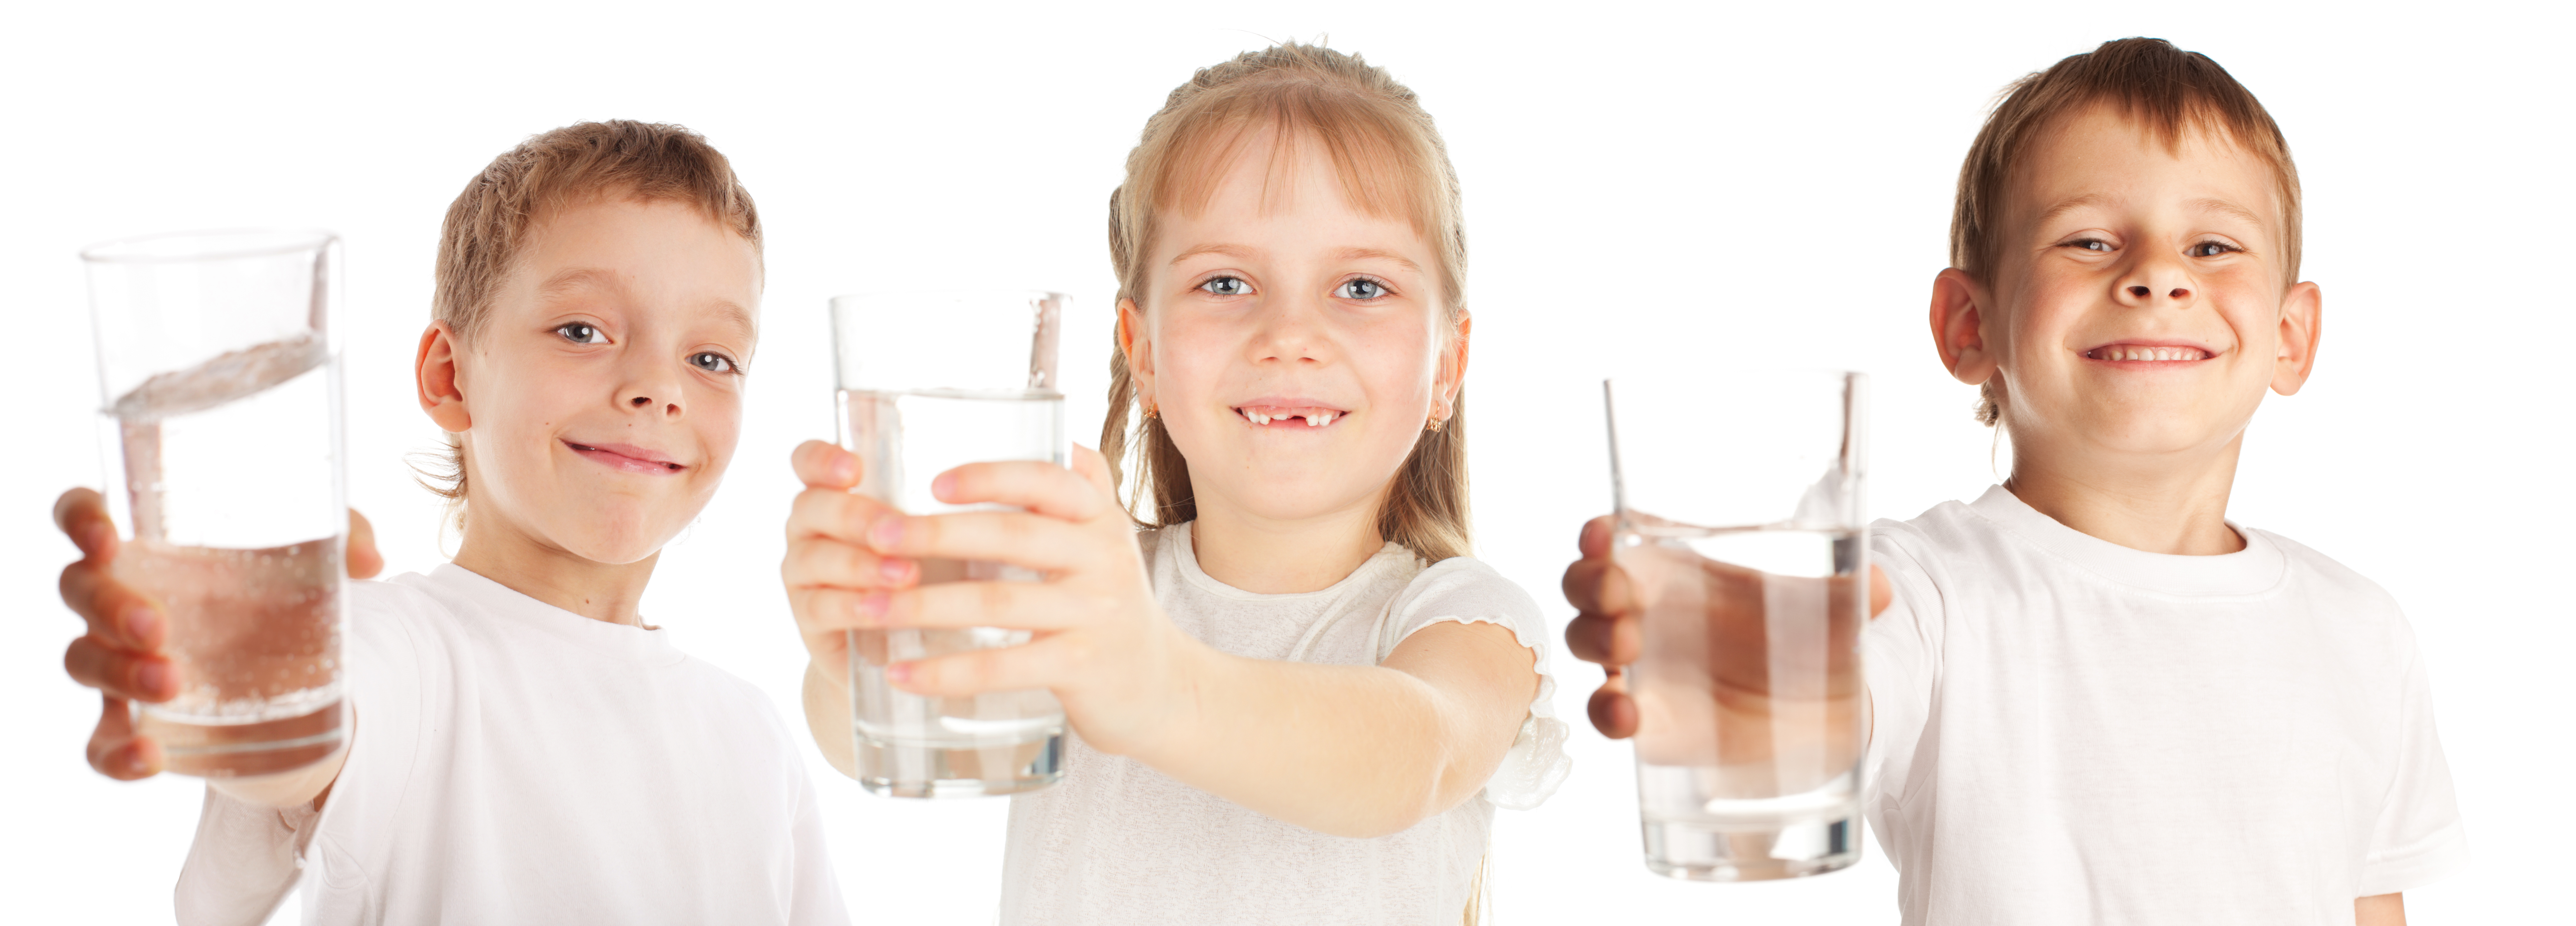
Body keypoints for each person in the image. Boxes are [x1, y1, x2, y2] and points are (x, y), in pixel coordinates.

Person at [1562, 37, 2464, 925]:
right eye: (2090, 240)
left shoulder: (2362, 631)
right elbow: (1820, 715)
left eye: (2215, 246)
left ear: (2292, 336)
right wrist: (1730, 651)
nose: (2156, 274)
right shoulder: (1921, 591)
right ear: (1968, 324)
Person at [781, 42, 1567, 926]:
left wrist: (1155, 684)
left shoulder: (1465, 619)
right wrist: (860, 661)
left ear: (1448, 364)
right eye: (1226, 282)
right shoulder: (1090, 596)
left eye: (1361, 284)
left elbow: (1416, 752)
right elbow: (896, 743)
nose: (1290, 332)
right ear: (1143, 351)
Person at [53, 120, 847, 925]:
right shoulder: (396, 651)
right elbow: (298, 743)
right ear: (450, 376)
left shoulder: (754, 735)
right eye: (583, 331)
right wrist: (233, 655)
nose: (657, 387)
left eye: (710, 357)